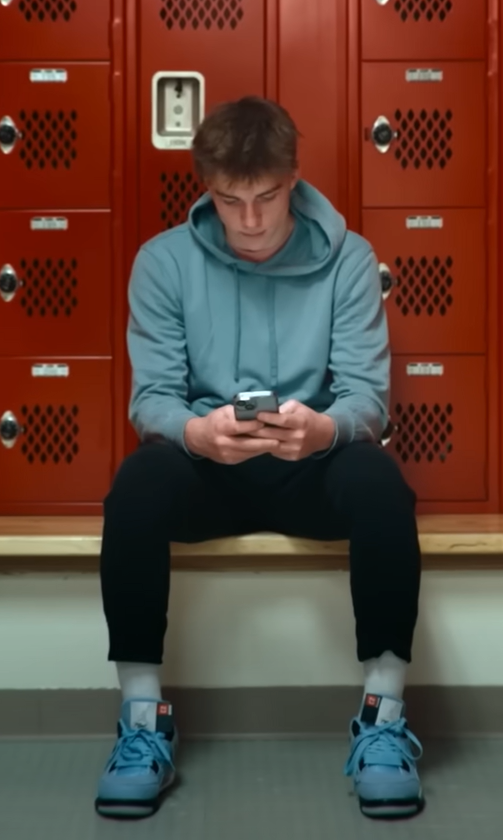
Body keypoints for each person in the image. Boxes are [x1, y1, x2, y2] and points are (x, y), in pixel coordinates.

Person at [93, 96, 425, 820]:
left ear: (295, 181)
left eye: (267, 199)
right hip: (209, 468)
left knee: (382, 485)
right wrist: (196, 434)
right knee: (137, 485)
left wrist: (324, 430)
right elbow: (151, 398)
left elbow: (368, 397)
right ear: (206, 190)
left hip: (310, 462)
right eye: (230, 200)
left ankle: (384, 717)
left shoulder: (350, 259)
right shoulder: (163, 263)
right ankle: (142, 721)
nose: (249, 221)